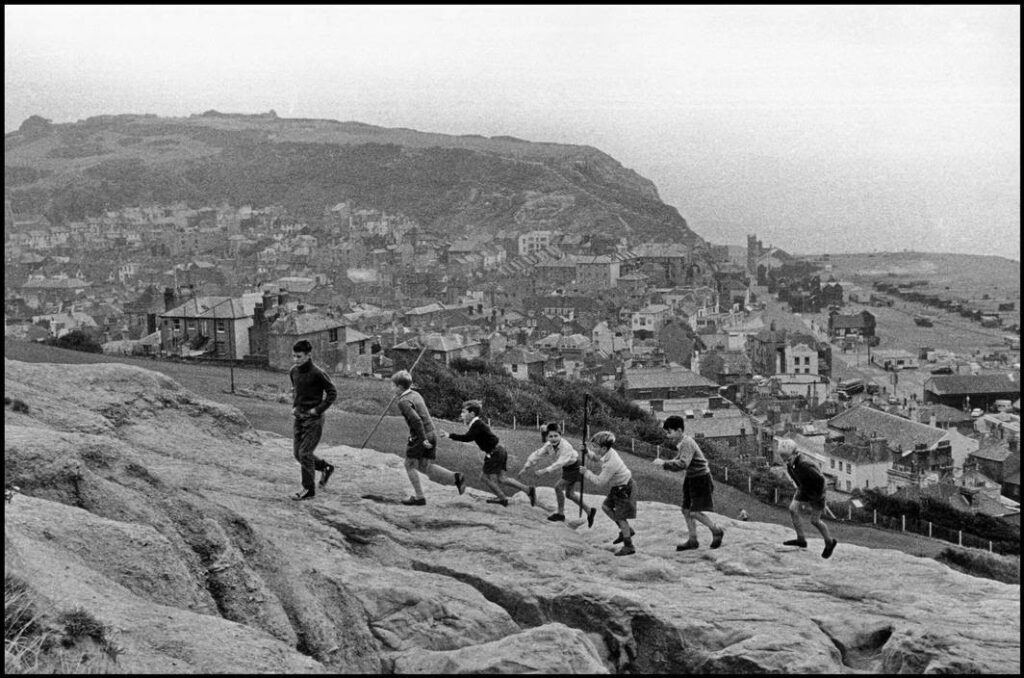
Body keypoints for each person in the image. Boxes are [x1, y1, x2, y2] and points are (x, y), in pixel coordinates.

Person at [439, 400, 536, 507]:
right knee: (502, 479)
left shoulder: (477, 424)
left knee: (484, 478)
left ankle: (502, 498)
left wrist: (449, 435)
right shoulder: (477, 424)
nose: (461, 414)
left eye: (463, 412)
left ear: (472, 414)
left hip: (496, 452)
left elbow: (467, 438)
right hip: (499, 450)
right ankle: (528, 490)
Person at [392, 370, 466, 506]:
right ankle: (455, 477)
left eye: (393, 385)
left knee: (408, 465)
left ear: (400, 387)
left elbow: (416, 420)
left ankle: (419, 497)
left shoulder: (403, 401)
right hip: (431, 432)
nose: (392, 388)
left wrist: (422, 438)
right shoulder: (415, 394)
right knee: (424, 466)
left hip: (421, 435)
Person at [657, 415, 724, 550]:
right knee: (686, 510)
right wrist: (667, 465)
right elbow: (679, 459)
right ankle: (693, 540)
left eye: (670, 432)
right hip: (691, 479)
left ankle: (716, 530)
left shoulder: (687, 443)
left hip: (701, 479)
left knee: (694, 512)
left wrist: (665, 463)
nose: (668, 435)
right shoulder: (682, 442)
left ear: (680, 430)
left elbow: (683, 463)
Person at [521, 422, 597, 527]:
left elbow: (559, 463)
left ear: (560, 435)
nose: (553, 438)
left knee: (558, 487)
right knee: (570, 494)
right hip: (568, 468)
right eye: (550, 436)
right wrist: (527, 465)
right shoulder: (548, 445)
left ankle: (561, 514)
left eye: (556, 436)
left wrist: (544, 471)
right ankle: (589, 511)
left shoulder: (566, 447)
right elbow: (537, 454)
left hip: (575, 467)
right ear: (547, 437)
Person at [288, 339, 338, 501]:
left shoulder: (318, 373)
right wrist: (295, 407)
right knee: (297, 454)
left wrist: (317, 410)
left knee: (305, 453)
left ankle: (308, 489)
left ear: (309, 355)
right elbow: (296, 390)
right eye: (294, 356)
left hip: (314, 420)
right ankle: (326, 467)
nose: (296, 360)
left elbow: (332, 393)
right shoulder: (293, 371)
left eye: (299, 356)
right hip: (299, 417)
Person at [777, 439, 838, 559]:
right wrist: (799, 491)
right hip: (803, 488)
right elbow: (796, 478)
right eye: (783, 460)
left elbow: (821, 480)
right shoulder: (791, 464)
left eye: (788, 459)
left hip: (816, 492)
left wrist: (819, 498)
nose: (786, 462)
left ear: (796, 453)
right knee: (793, 509)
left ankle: (829, 542)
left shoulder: (805, 465)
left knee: (815, 520)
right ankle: (801, 540)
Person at [582, 431, 637, 556]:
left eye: (595, 447)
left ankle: (629, 546)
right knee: (606, 507)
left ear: (604, 448)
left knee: (620, 517)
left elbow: (599, 481)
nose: (593, 448)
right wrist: (587, 452)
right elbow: (596, 458)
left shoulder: (611, 463)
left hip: (624, 489)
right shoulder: (608, 453)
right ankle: (627, 530)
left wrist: (586, 473)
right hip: (618, 487)